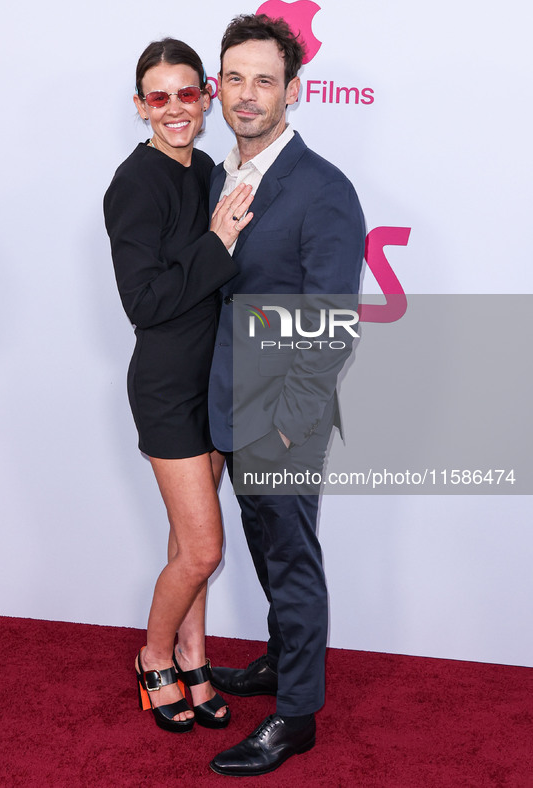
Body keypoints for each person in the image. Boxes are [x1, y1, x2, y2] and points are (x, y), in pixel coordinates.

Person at [207, 15, 365, 775]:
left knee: (293, 556)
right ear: (217, 86)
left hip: (282, 416)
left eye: (263, 79)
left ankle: (296, 715)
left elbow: (332, 323)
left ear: (291, 91)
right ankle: (277, 659)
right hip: (227, 402)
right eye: (234, 77)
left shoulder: (322, 188)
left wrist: (291, 424)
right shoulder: (217, 177)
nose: (246, 94)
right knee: (267, 548)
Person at [103, 38, 254, 734]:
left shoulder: (205, 174)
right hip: (166, 386)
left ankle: (194, 658)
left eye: (186, 94)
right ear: (140, 107)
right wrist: (216, 244)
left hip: (212, 377)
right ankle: (153, 656)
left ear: (208, 97)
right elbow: (145, 302)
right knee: (203, 549)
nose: (174, 109)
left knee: (183, 543)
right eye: (157, 97)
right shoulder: (134, 185)